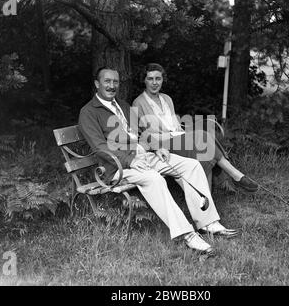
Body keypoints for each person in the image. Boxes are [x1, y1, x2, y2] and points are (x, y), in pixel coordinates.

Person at [78, 66, 239, 256]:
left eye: (115, 82)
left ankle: (208, 222)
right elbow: (99, 147)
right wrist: (130, 161)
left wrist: (156, 146)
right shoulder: (88, 112)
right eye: (107, 81)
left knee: (191, 165)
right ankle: (186, 234)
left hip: (145, 156)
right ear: (97, 84)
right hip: (118, 166)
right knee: (154, 179)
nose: (112, 86)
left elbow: (141, 132)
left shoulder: (122, 104)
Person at [132, 63, 258, 193]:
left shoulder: (167, 99)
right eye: (150, 79)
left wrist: (184, 135)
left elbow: (175, 124)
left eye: (158, 79)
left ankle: (207, 196)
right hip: (162, 145)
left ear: (163, 80)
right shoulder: (138, 103)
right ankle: (234, 176)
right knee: (202, 137)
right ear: (144, 80)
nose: (154, 83)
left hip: (178, 138)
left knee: (203, 147)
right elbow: (146, 135)